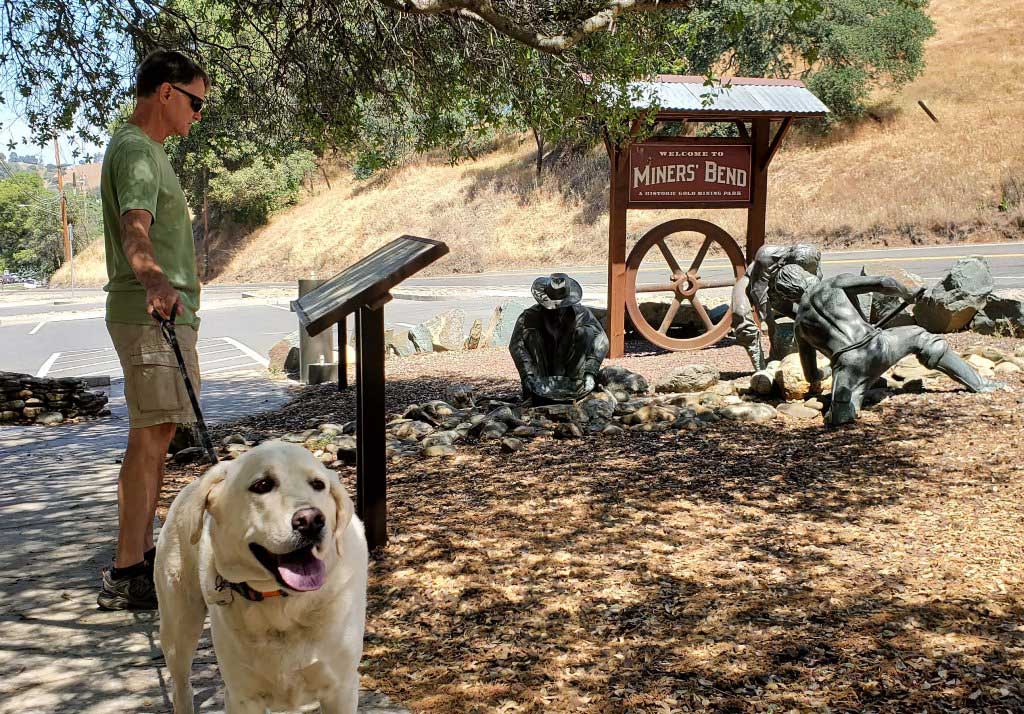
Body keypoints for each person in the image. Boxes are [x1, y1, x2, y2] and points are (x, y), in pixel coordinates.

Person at [97, 50, 209, 610]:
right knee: (149, 438)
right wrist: (156, 282)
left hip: (159, 316)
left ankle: (140, 557)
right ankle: (126, 572)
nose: (197, 114)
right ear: (166, 92)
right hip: (150, 317)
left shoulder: (145, 149)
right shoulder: (138, 149)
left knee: (157, 434)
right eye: (194, 102)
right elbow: (134, 230)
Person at [772, 264, 1002, 426]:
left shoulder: (800, 326)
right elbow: (884, 282)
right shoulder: (833, 284)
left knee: (841, 415)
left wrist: (825, 373)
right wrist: (907, 294)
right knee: (921, 337)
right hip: (878, 347)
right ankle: (979, 385)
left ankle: (844, 406)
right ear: (805, 276)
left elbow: (811, 375)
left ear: (790, 295)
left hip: (848, 368)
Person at [510, 274, 609, 403]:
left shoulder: (582, 314)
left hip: (572, 374)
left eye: (562, 307)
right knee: (528, 334)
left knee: (587, 332)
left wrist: (590, 371)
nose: (557, 311)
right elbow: (517, 346)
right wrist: (527, 374)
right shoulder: (529, 316)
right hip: (541, 374)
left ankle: (578, 384)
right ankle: (534, 390)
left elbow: (602, 340)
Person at [731, 243, 822, 370]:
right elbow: (758, 290)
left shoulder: (812, 264)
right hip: (752, 283)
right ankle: (760, 369)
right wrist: (770, 324)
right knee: (741, 316)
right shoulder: (767, 255)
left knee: (812, 319)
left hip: (783, 291)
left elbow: (813, 294)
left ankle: (801, 360)